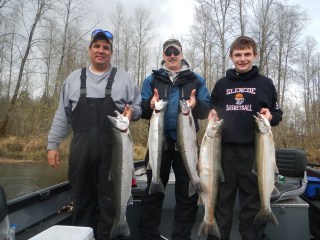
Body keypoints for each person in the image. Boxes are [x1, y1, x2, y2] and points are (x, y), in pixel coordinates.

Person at [47, 29, 142, 240]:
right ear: (90, 50)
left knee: (110, 203)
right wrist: (53, 145)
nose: (101, 51)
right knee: (82, 202)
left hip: (115, 153)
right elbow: (62, 115)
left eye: (106, 48)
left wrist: (133, 112)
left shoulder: (124, 78)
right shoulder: (73, 79)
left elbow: (138, 107)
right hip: (81, 152)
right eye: (97, 46)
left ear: (111, 52)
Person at [207, 36, 283, 240]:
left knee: (251, 204)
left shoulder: (265, 83)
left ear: (254, 55)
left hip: (255, 151)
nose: (242, 59)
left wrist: (270, 116)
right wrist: (211, 114)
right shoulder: (222, 84)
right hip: (224, 152)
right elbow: (212, 109)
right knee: (222, 202)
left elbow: (277, 114)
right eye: (238, 55)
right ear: (231, 57)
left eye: (247, 54)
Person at [138, 39, 211, 240]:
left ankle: (181, 236)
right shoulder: (151, 80)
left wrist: (196, 105)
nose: (172, 56)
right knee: (152, 192)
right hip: (157, 143)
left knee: (187, 194)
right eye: (168, 52)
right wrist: (149, 105)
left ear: (182, 54)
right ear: (163, 55)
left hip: (187, 144)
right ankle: (148, 235)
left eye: (175, 52)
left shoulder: (196, 80)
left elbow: (206, 111)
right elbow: (142, 110)